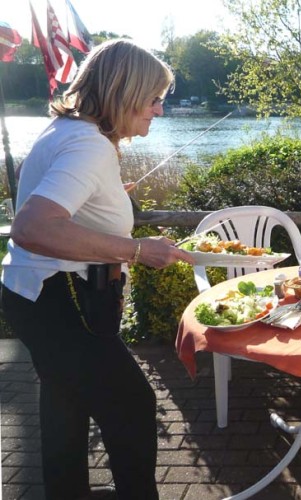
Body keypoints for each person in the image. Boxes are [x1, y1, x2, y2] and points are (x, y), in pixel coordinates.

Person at [0, 39, 194, 499]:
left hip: (32, 295)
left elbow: (53, 201)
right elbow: (30, 226)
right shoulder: (89, 145)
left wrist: (105, 192)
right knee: (132, 402)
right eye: (153, 99)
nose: (158, 111)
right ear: (124, 92)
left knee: (65, 398)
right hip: (62, 299)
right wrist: (136, 249)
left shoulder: (65, 131)